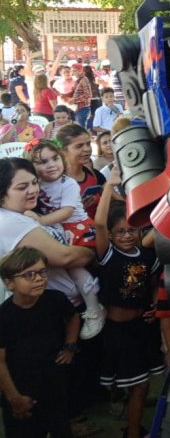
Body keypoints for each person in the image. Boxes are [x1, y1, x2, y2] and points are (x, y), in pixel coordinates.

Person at [93, 170, 163, 438]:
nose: (126, 236)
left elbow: (155, 281)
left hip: (141, 328)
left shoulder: (145, 255)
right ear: (110, 236)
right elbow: (99, 223)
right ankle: (133, 432)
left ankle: (131, 428)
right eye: (119, 232)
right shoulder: (108, 255)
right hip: (118, 332)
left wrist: (156, 303)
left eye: (131, 230)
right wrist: (109, 186)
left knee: (140, 385)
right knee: (138, 386)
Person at [24, 140, 105, 339]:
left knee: (75, 268)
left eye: (55, 158)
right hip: (58, 228)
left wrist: (40, 221)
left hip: (76, 228)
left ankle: (95, 308)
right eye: (42, 162)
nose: (51, 165)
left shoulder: (67, 183)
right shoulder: (38, 184)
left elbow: (67, 211)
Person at [0, 247, 80, 438]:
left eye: (42, 272)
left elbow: (73, 317)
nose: (39, 278)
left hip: (54, 383)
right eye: (29, 275)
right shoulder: (4, 316)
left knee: (60, 428)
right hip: (22, 388)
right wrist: (14, 398)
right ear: (10, 283)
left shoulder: (55, 299)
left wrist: (70, 345)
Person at [56, 124, 105, 220]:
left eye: (88, 144)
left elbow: (115, 201)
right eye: (79, 146)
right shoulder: (55, 181)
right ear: (63, 150)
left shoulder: (94, 174)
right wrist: (78, 209)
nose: (87, 149)